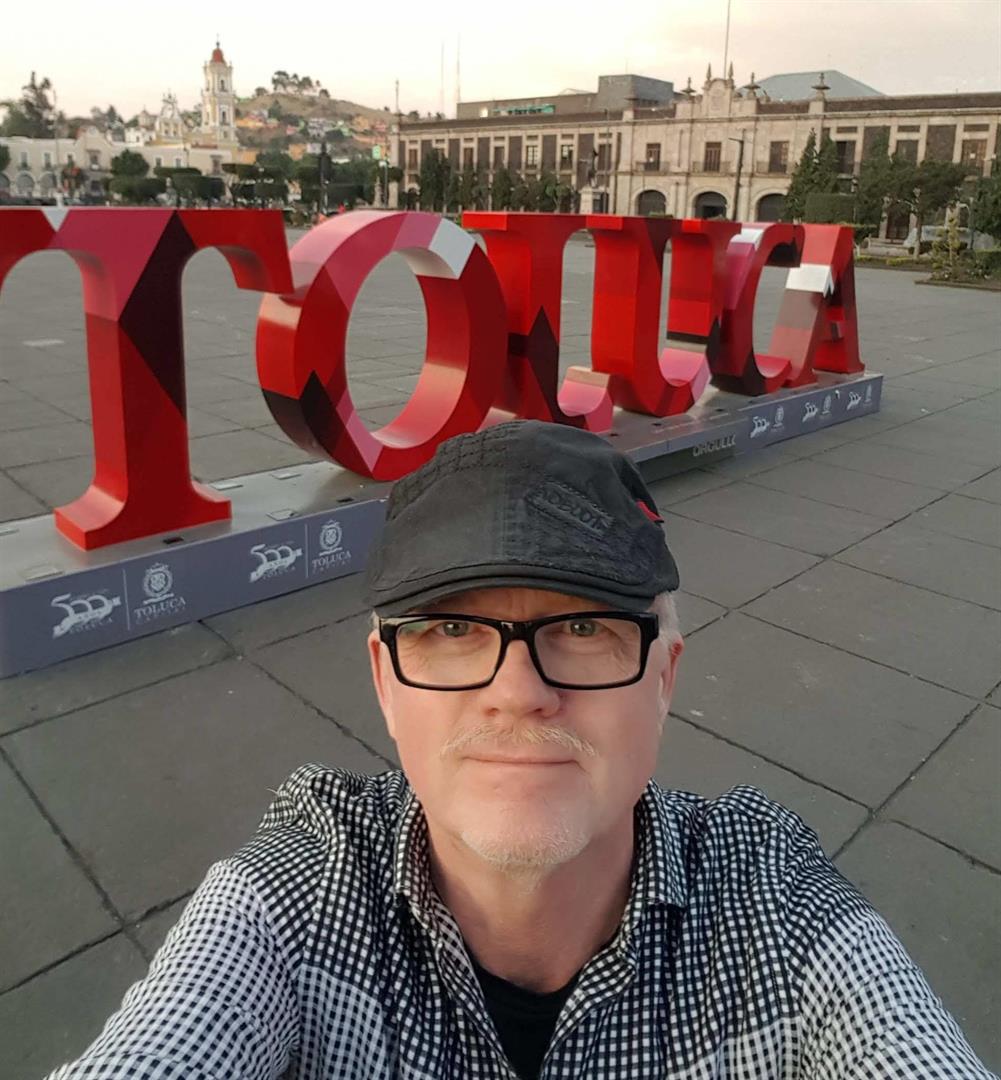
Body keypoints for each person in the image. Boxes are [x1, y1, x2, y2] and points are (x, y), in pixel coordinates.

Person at [48, 420, 993, 1079]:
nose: (517, 691)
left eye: (582, 628)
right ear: (385, 683)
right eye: (452, 631)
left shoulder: (771, 905)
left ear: (663, 679)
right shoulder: (294, 905)